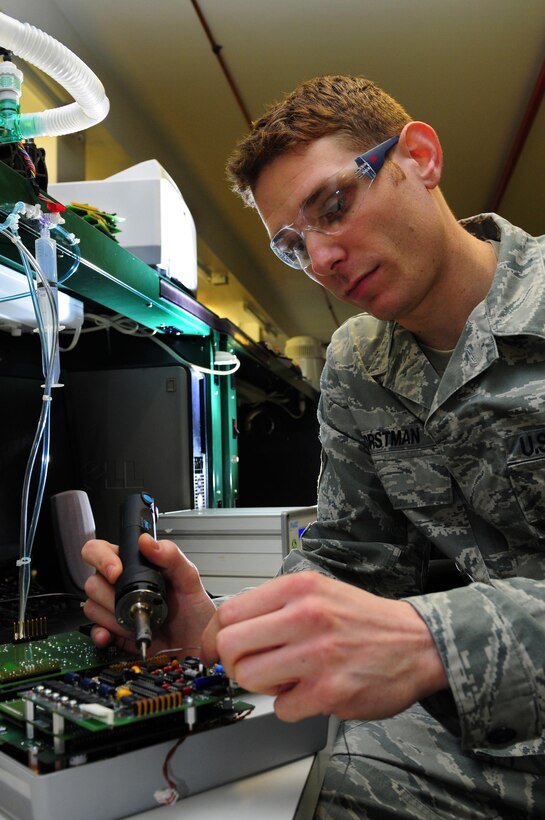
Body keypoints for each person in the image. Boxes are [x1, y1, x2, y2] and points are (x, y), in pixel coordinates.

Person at [82, 75, 545, 818]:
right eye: (293, 246)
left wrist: (431, 639)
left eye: (333, 205)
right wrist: (219, 628)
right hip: (469, 745)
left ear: (419, 156)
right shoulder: (358, 362)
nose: (323, 259)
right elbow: (347, 560)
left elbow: (404, 628)